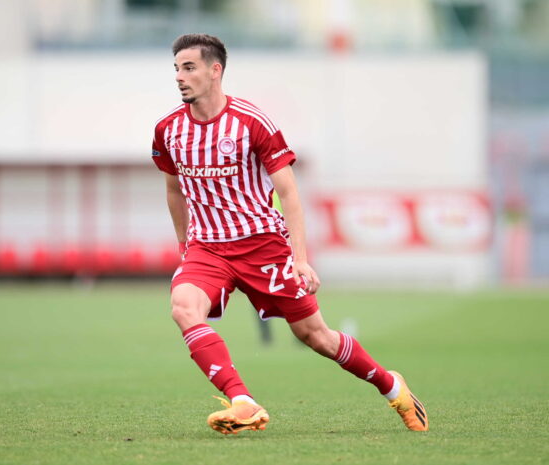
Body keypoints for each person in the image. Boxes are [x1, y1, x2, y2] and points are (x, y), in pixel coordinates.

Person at [150, 33, 428, 434]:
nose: (179, 76)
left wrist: (300, 259)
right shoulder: (168, 130)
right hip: (207, 248)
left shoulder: (251, 122)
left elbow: (289, 192)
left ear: (215, 71)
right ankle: (242, 401)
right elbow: (174, 189)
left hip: (263, 245)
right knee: (183, 307)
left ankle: (392, 388)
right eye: (176, 68)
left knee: (316, 336)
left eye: (189, 67)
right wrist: (184, 245)